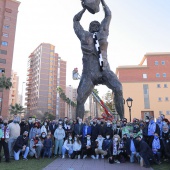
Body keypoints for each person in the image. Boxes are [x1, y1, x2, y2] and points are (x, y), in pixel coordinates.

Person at [73, 0, 124, 120]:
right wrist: (85, 8)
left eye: (97, 24)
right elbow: (75, 21)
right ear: (89, 28)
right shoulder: (84, 36)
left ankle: (122, 120)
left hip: (104, 70)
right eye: (93, 25)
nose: (95, 25)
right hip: (89, 73)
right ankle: (78, 123)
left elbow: (108, 15)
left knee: (118, 88)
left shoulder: (103, 33)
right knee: (80, 98)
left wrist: (102, 1)